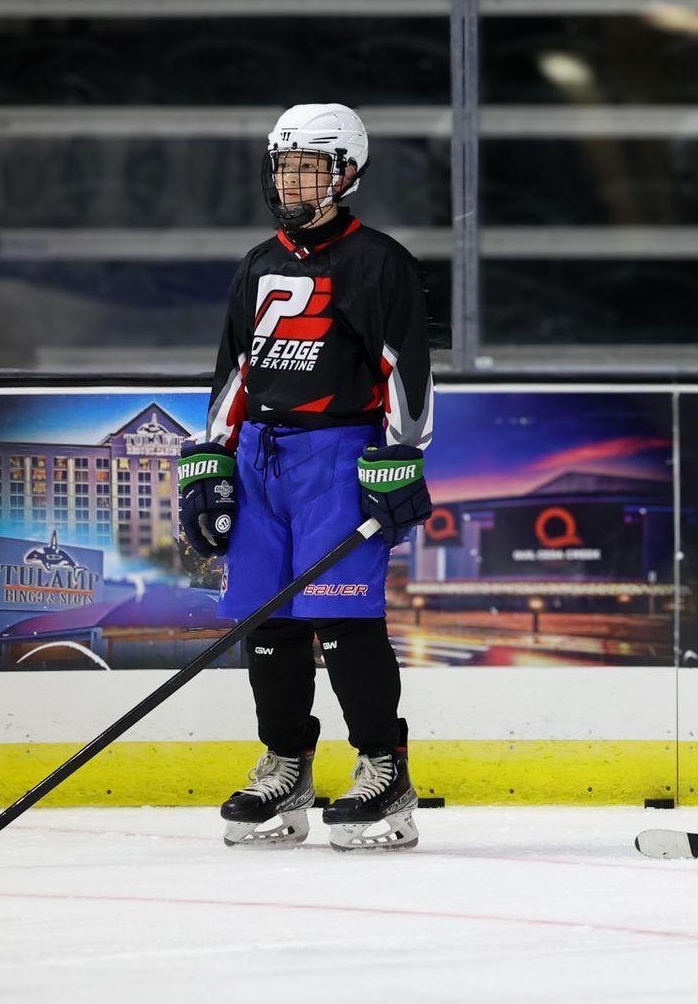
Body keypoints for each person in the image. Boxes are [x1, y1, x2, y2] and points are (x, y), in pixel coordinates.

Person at [179, 103, 435, 851]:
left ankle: (384, 768)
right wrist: (211, 456)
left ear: (346, 172)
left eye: (309, 166)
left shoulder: (379, 261)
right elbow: (234, 369)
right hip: (262, 457)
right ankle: (287, 766)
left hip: (338, 456)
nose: (292, 179)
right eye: (284, 165)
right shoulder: (258, 262)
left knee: (347, 620)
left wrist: (399, 452)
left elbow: (405, 371)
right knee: (269, 621)